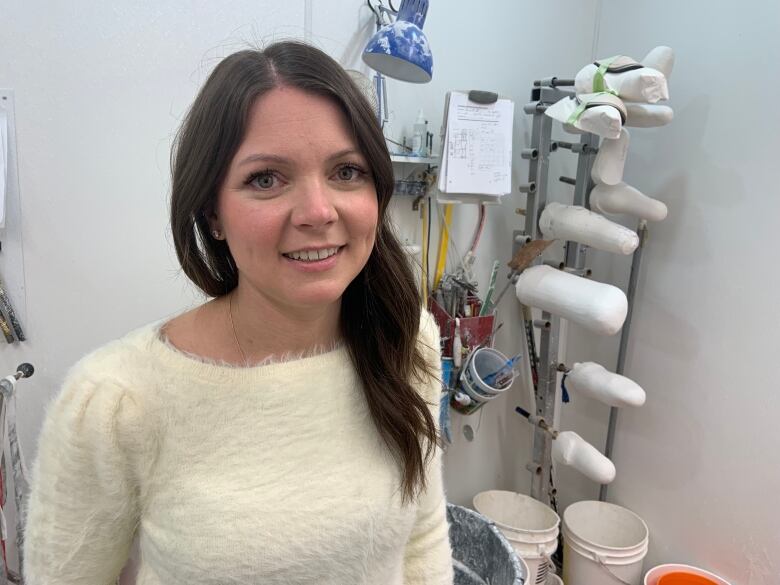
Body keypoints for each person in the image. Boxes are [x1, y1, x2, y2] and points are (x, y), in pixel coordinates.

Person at [22, 41, 454, 585]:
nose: (319, 212)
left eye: (346, 171)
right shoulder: (115, 401)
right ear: (212, 213)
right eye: (266, 179)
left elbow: (423, 541)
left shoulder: (406, 339)